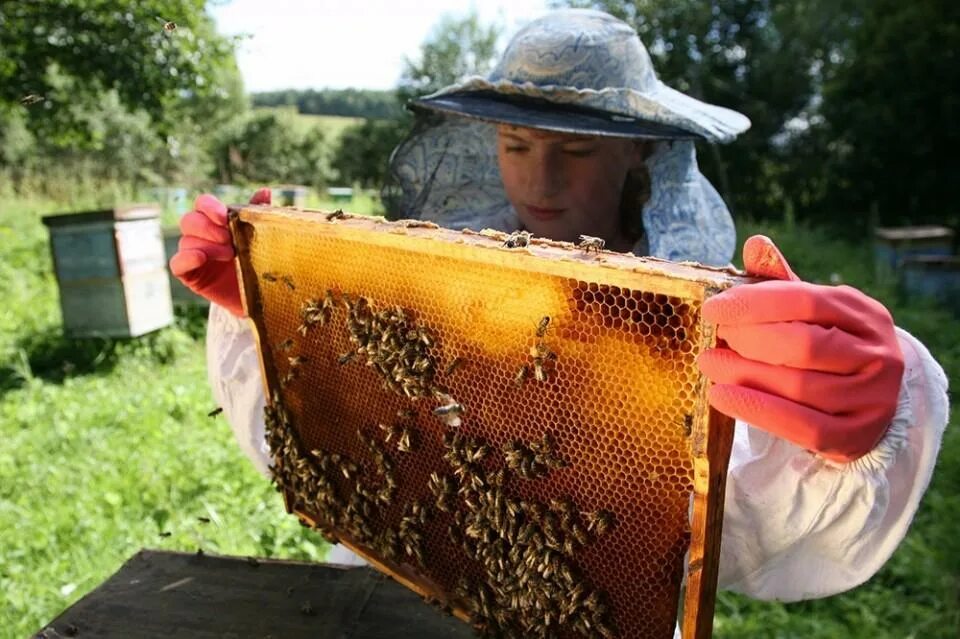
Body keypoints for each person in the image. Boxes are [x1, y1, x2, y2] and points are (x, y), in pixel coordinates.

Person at [170, 7, 949, 626]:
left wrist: (852, 431)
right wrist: (269, 316)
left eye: (574, 151)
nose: (537, 179)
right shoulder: (433, 272)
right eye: (515, 144)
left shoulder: (685, 316)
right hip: (388, 604)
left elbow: (743, 530)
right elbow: (341, 439)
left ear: (637, 152)